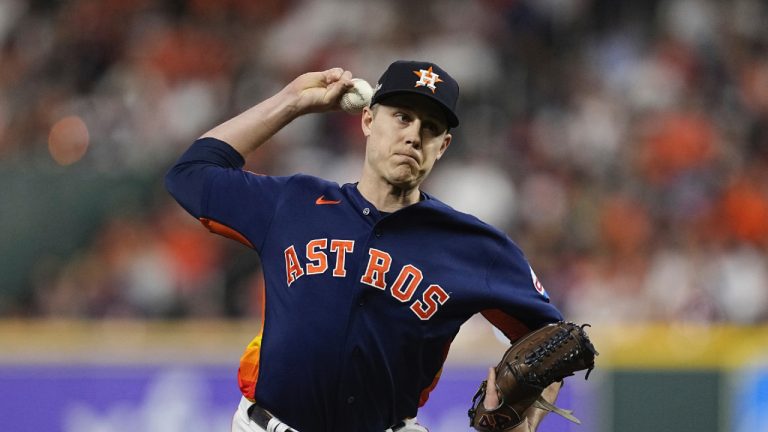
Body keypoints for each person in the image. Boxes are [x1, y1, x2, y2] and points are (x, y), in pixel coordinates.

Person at [165, 60, 565, 432]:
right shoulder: (293, 202)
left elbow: (555, 340)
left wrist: (527, 421)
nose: (412, 135)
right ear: (369, 121)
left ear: (443, 146)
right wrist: (292, 103)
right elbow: (191, 174)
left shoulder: (474, 247)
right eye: (402, 117)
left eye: (429, 128)